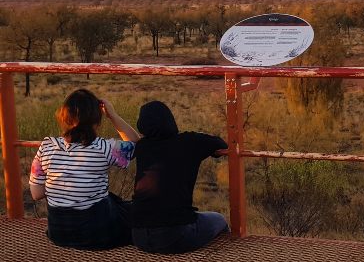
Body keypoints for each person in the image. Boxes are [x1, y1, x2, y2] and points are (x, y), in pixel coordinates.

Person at [29, 89, 139, 250]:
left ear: (64, 117)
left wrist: (64, 182)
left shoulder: (47, 146)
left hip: (58, 233)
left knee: (112, 201)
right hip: (96, 234)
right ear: (96, 120)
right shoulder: (105, 147)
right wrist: (113, 115)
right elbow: (135, 143)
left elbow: (36, 194)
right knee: (130, 210)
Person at [131, 100, 229, 253]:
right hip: (174, 235)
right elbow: (221, 144)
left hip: (139, 237)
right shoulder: (190, 142)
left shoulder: (142, 147)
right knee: (219, 220)